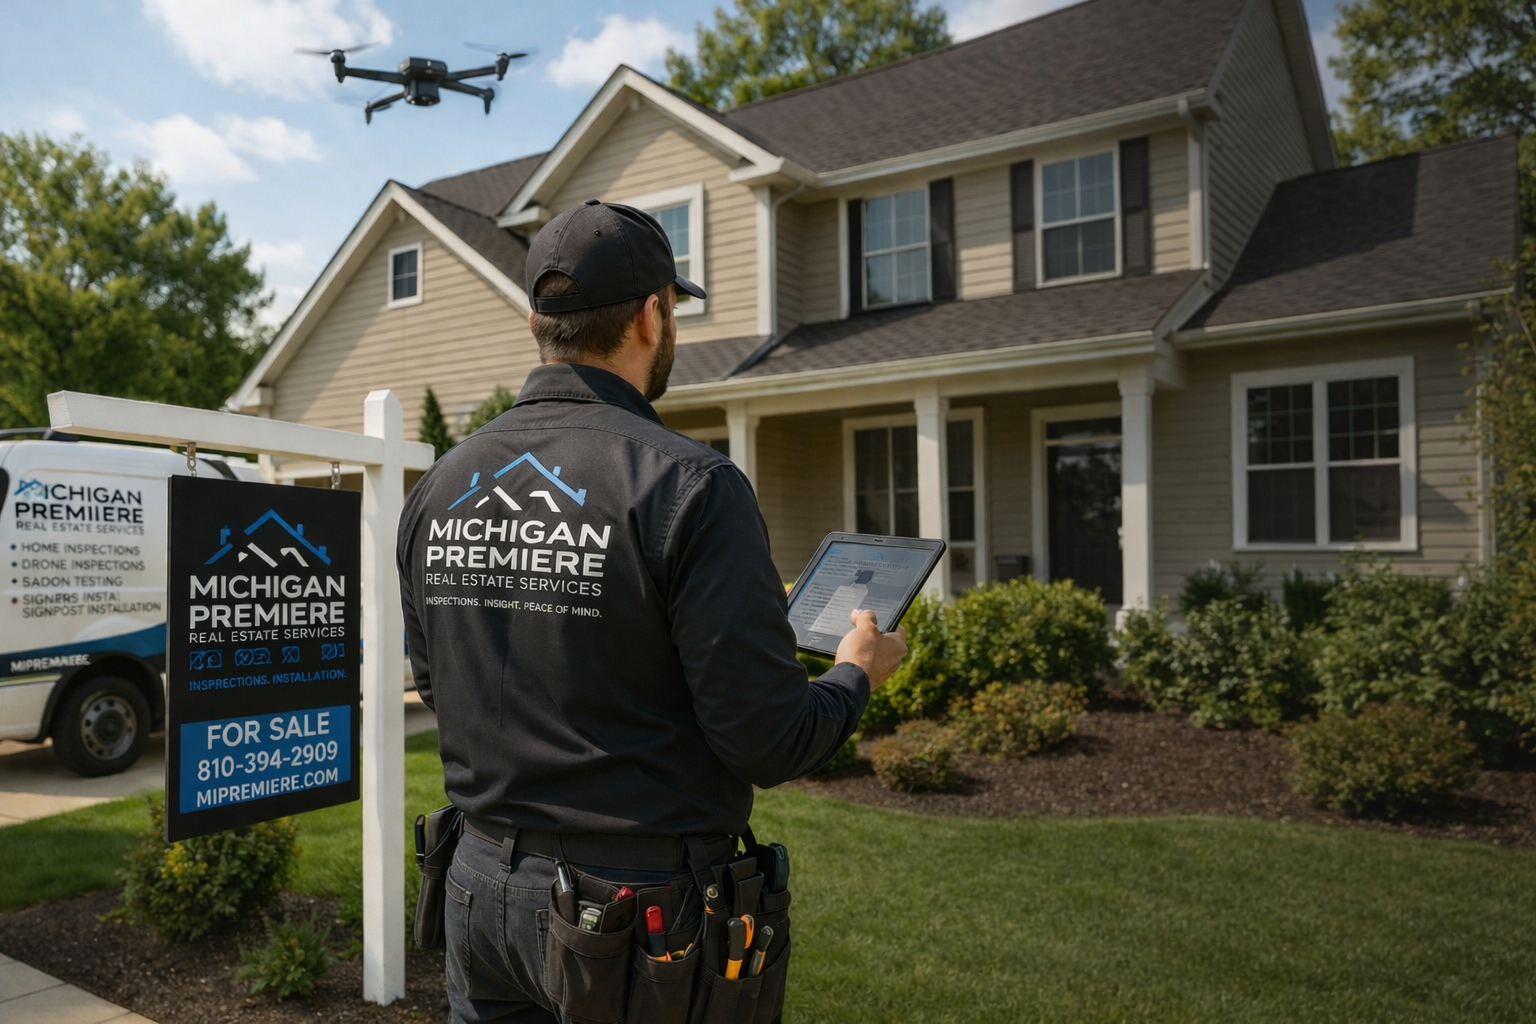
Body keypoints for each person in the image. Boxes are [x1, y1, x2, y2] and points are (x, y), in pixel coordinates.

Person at [396, 199, 908, 1023]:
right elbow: (767, 739)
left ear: (537, 321)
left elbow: (438, 682)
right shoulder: (689, 485)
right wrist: (855, 672)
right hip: (636, 915)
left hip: (478, 885)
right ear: (650, 315)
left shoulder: (442, 485)